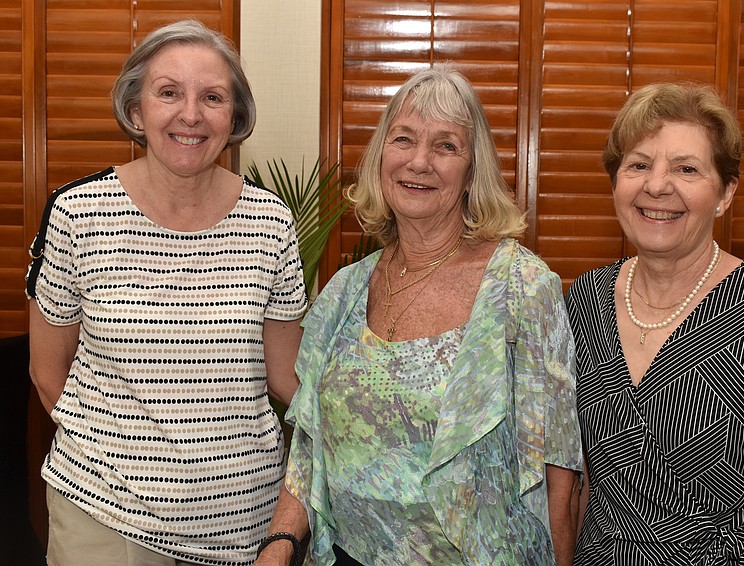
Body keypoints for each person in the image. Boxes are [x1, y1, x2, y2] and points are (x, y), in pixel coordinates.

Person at [253, 65, 583, 566]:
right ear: (381, 156)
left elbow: (558, 471)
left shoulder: (521, 287)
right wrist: (279, 545)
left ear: (473, 172)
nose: (419, 161)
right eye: (403, 139)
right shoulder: (343, 293)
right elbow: (309, 448)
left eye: (446, 146)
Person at [26, 19, 307, 566]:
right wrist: (130, 467)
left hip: (243, 523)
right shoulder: (77, 213)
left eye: (212, 97)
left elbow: (285, 377)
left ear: (234, 118)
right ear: (136, 111)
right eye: (169, 92)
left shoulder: (271, 222)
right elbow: (47, 373)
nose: (191, 114)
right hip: (106, 519)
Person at [564, 82, 744, 565]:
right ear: (616, 182)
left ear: (726, 193)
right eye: (638, 165)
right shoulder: (584, 300)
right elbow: (578, 483)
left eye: (686, 168)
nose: (657, 186)